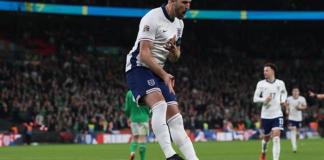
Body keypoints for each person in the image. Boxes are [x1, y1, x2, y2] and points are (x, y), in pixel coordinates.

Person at [125, 0, 198, 159]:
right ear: (172, 0)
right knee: (160, 106)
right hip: (138, 67)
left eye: (189, 2)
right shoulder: (152, 17)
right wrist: (164, 75)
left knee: (177, 121)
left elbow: (175, 57)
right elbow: (144, 54)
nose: (188, 7)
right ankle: (170, 155)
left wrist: (173, 51)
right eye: (184, 2)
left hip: (157, 70)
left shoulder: (179, 24)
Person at [253, 63, 287, 160]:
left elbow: (284, 92)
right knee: (266, 138)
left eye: (266, 70)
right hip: (266, 115)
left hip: (277, 114)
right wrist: (264, 99)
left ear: (272, 71)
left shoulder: (280, 83)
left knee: (276, 138)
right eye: (264, 71)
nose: (264, 72)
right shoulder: (261, 84)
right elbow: (255, 98)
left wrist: (283, 100)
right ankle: (263, 152)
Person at [124, 90, 150, 160]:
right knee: (142, 139)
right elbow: (149, 106)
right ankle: (142, 159)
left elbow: (127, 108)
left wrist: (129, 116)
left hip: (134, 119)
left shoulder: (129, 93)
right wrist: (149, 116)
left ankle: (132, 152)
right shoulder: (145, 90)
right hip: (144, 118)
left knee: (134, 138)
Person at [285, 87, 307, 153]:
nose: (295, 92)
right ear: (292, 92)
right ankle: (294, 147)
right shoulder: (289, 99)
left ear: (298, 92)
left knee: (297, 133)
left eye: (296, 91)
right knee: (293, 130)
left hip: (299, 118)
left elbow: (305, 106)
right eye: (294, 91)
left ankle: (296, 140)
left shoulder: (302, 99)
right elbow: (286, 104)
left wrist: (300, 108)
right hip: (291, 118)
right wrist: (287, 109)